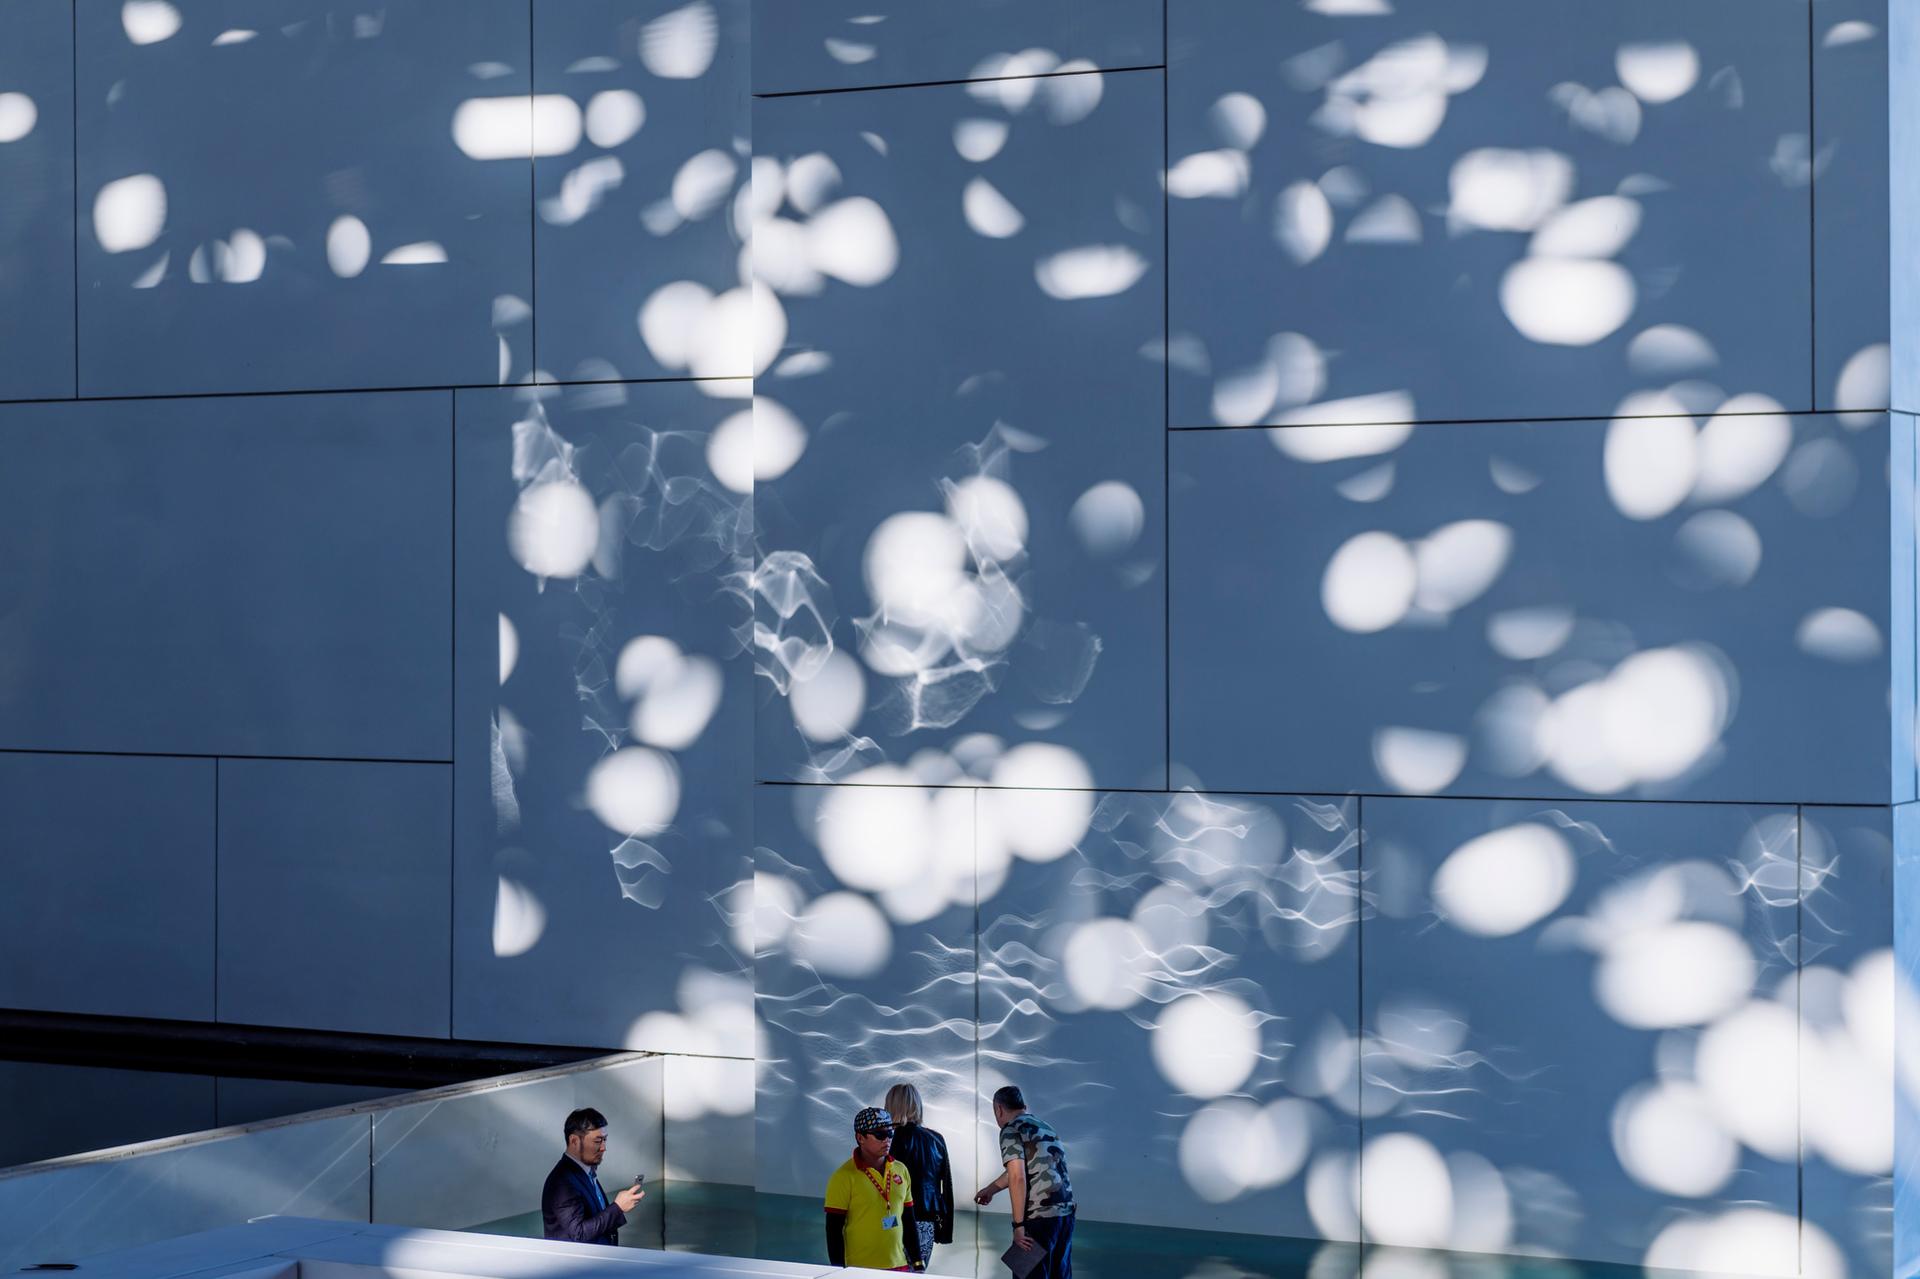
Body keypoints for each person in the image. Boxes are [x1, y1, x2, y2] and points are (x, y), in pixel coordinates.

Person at [975, 1085, 1074, 1278]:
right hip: (1065, 1216)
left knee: (1026, 1275)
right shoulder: (1045, 1127)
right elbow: (1028, 1168)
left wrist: (1018, 1227)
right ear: (1024, 1106)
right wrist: (991, 1189)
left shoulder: (1010, 1129)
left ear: (999, 1109)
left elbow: (1017, 1176)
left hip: (1037, 1218)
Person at [825, 1106, 926, 1271]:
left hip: (899, 1267)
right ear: (860, 1137)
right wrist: (838, 1271)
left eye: (890, 1133)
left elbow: (908, 1221)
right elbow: (833, 1231)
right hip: (859, 1270)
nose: (887, 1139)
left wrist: (917, 1262)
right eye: (880, 1134)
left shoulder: (901, 1170)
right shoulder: (843, 1177)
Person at [542, 1106, 645, 1245]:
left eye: (605, 1140)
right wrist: (618, 1207)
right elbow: (579, 1233)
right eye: (597, 1141)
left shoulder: (586, 1173)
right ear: (574, 1141)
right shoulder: (562, 1182)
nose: (603, 1148)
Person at [885, 1082, 954, 1271]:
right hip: (926, 1222)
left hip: (893, 1220)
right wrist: (945, 1231)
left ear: (890, 1105)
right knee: (917, 1273)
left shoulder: (887, 1139)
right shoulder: (936, 1139)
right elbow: (945, 1187)